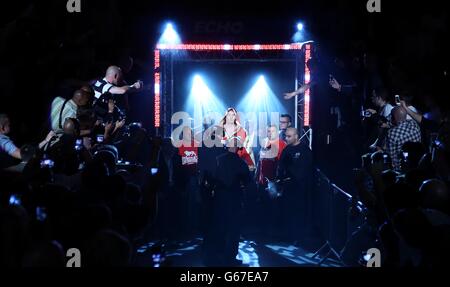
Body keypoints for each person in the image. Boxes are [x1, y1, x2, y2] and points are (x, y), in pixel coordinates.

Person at [207, 137, 250, 266]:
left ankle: (218, 255)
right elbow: (247, 181)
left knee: (220, 227)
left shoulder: (218, 160)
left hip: (220, 198)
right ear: (238, 147)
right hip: (235, 199)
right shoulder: (241, 163)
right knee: (233, 229)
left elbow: (210, 177)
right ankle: (230, 258)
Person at [276, 127, 313, 243]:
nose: (286, 138)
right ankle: (288, 235)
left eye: (289, 136)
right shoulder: (286, 150)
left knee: (298, 212)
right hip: (287, 187)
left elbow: (307, 170)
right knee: (287, 211)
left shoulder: (305, 150)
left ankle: (299, 237)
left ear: (296, 136)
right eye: (286, 136)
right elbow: (280, 167)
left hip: (300, 188)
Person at [385, 106, 422, 171]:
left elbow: (391, 157)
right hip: (418, 166)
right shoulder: (414, 124)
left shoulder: (391, 133)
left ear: (393, 118)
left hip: (402, 169)